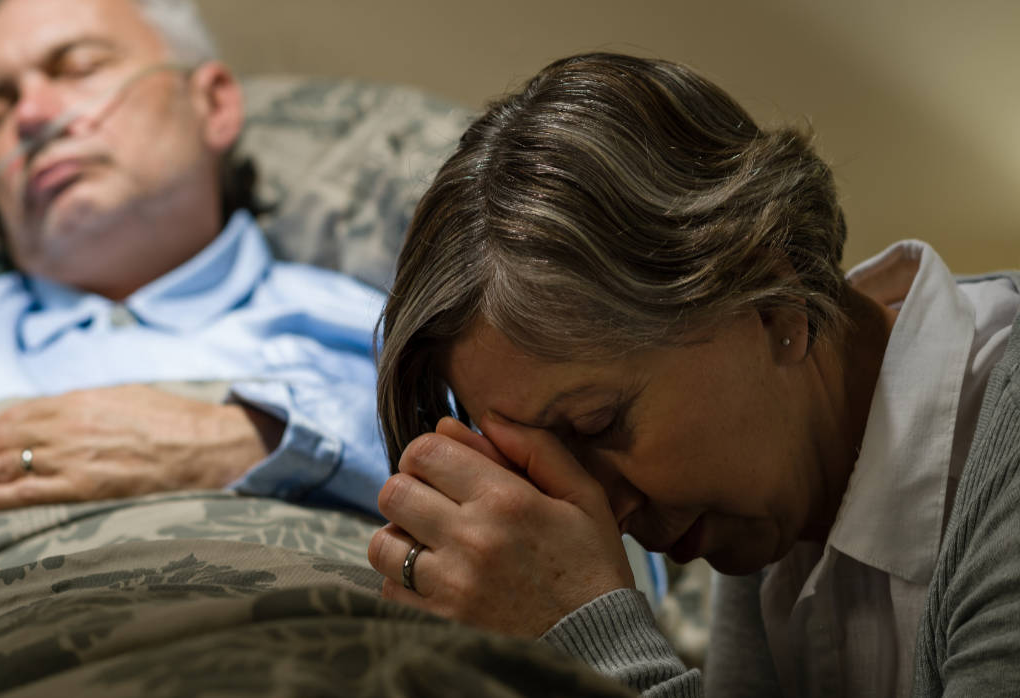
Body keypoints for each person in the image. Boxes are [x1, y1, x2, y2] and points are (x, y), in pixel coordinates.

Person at [368, 52, 1020, 696]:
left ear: (771, 302)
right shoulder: (777, 484)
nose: (602, 514)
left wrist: (586, 642)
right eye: (536, 465)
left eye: (599, 423)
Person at [0, 0, 387, 624]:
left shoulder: (380, 330)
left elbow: (496, 504)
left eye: (78, 66)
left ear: (215, 104)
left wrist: (269, 439)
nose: (32, 118)